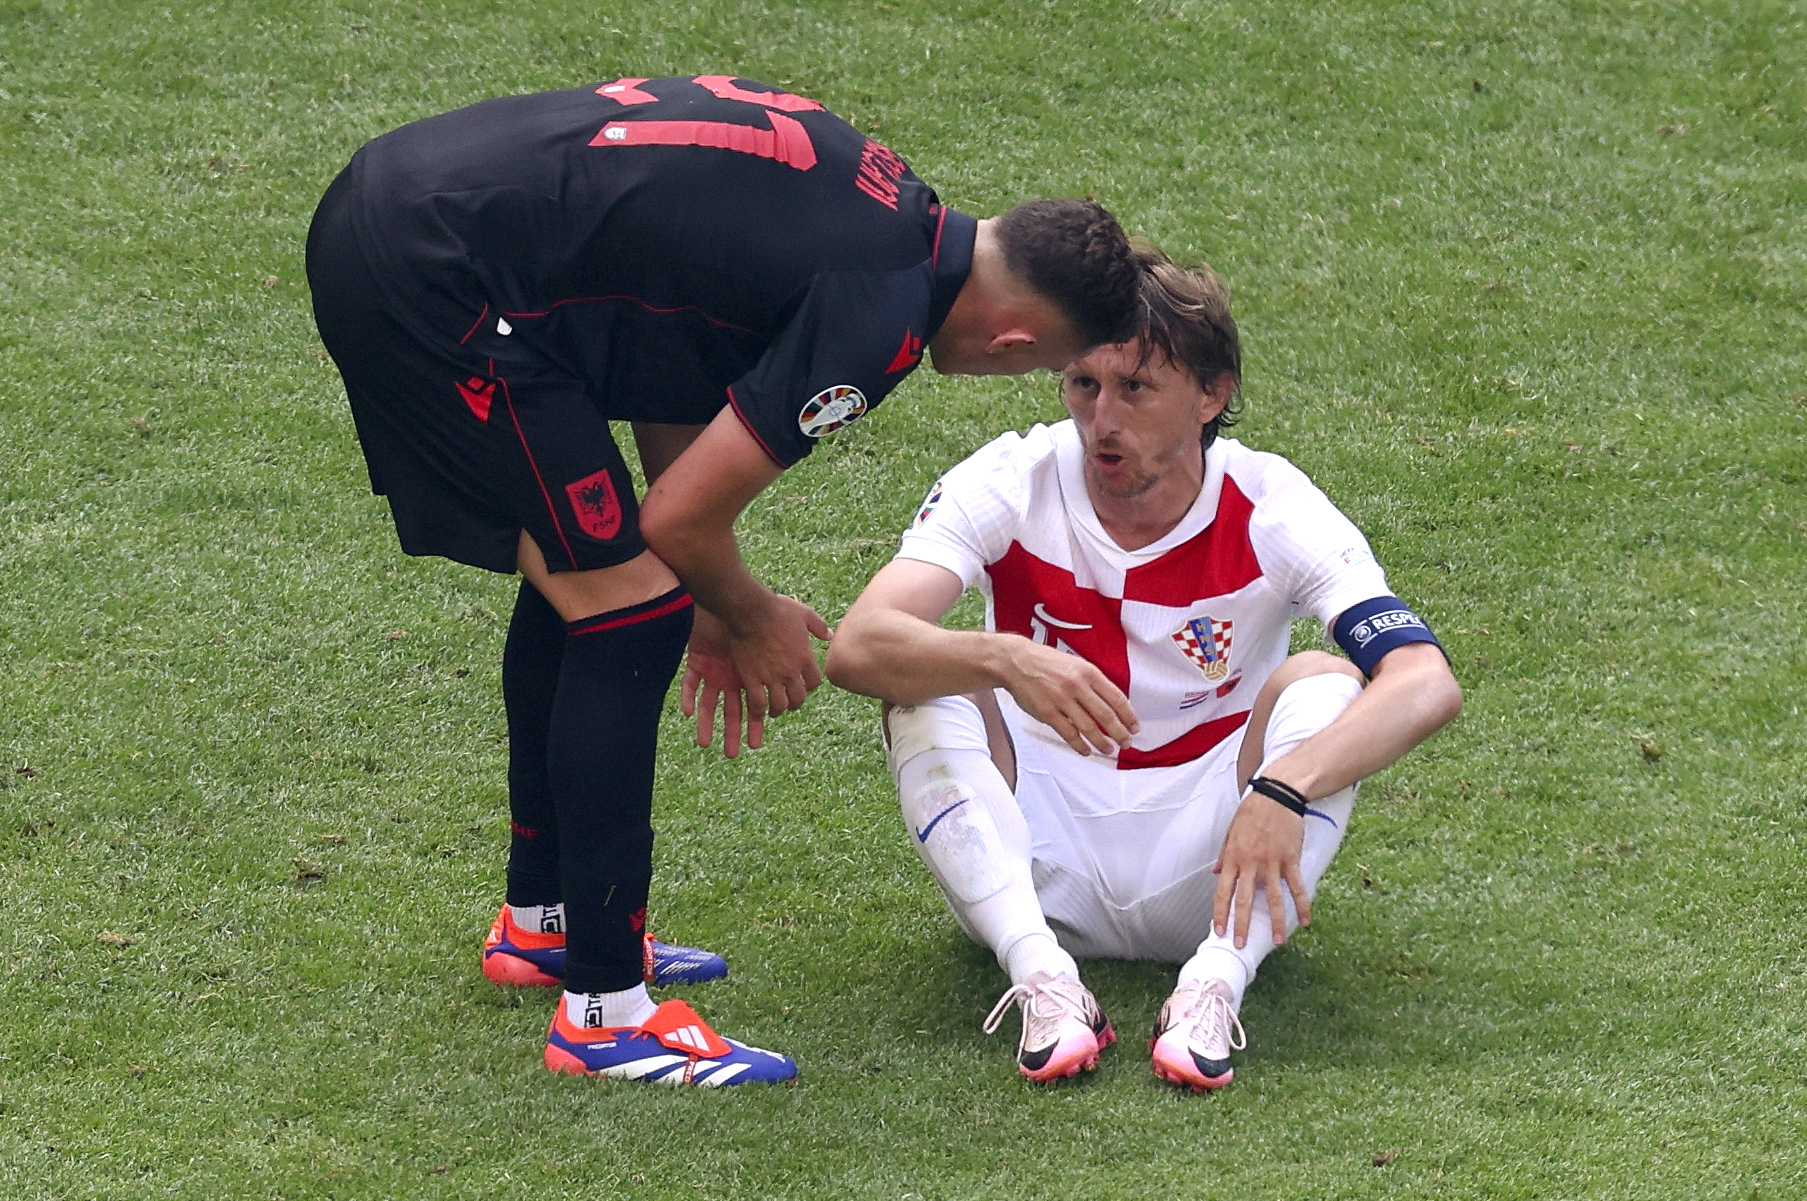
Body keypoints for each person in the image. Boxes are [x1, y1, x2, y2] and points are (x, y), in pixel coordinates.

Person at [305, 74, 1142, 1087]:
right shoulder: (882, 317)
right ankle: (605, 1014)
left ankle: (546, 921)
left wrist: (704, 580)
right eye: (1041, 369)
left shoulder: (878, 190)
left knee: (596, 576)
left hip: (404, 210)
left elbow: (678, 369)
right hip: (434, 278)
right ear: (1017, 340)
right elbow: (682, 520)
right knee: (632, 607)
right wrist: (743, 613)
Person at [825, 254, 1463, 1089]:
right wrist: (1003, 657)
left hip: (1212, 868)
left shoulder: (1271, 504)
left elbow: (1424, 679)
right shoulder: (1012, 477)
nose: (1102, 420)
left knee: (1326, 683)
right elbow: (857, 646)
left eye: (1135, 388)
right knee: (924, 679)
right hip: (1030, 860)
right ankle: (1042, 980)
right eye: (1082, 384)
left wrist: (1283, 789)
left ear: (1210, 394)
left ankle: (1212, 985)